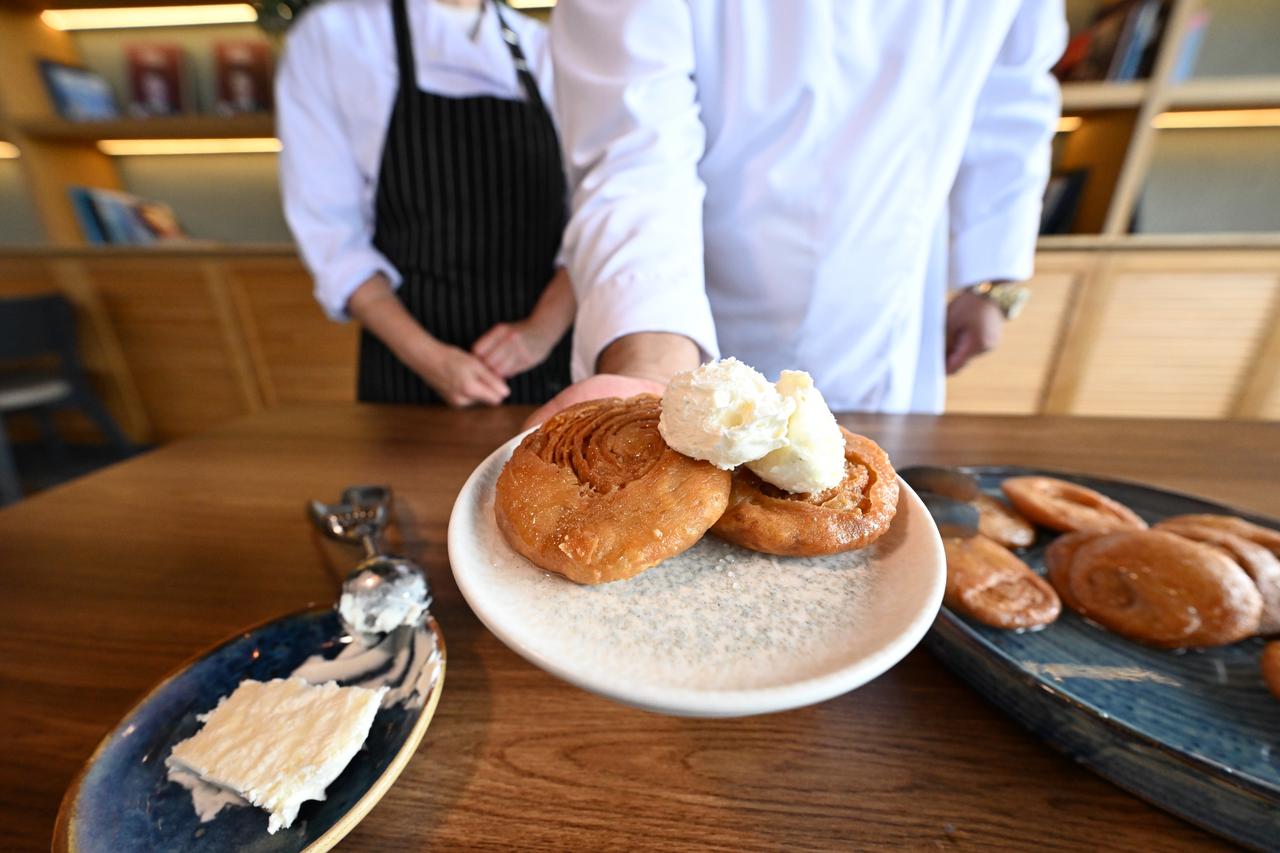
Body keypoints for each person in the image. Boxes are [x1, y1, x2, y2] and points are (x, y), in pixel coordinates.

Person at [532, 0, 1065, 423]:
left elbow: (1012, 92)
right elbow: (634, 148)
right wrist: (649, 364)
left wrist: (992, 276)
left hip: (891, 296)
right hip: (699, 301)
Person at [277, 0, 574, 407]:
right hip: (409, 378)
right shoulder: (335, 37)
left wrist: (542, 330)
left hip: (546, 369)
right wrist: (427, 357)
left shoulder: (546, 47)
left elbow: (594, 219)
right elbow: (332, 237)